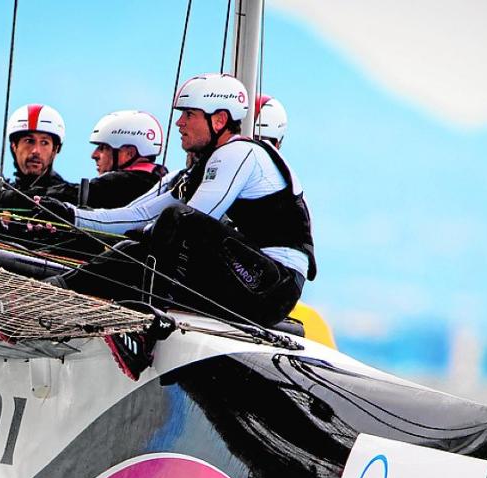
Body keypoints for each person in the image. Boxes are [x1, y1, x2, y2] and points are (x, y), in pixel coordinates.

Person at [42, 73, 314, 333]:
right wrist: (69, 215)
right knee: (132, 249)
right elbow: (138, 214)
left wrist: (149, 235)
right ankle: (53, 292)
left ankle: (151, 324)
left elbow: (192, 218)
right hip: (246, 278)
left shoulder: (240, 153)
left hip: (272, 286)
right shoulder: (206, 167)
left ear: (218, 120)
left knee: (175, 222)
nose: (179, 123)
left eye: (189, 114)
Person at [75, 110, 169, 208]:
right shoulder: (161, 181)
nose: (94, 155)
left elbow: (71, 195)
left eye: (104, 147)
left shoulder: (120, 183)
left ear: (129, 153)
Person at [0, 103, 73, 207]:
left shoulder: (69, 199)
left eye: (44, 142)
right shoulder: (0, 193)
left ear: (55, 150)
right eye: (29, 141)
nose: (36, 151)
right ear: (14, 146)